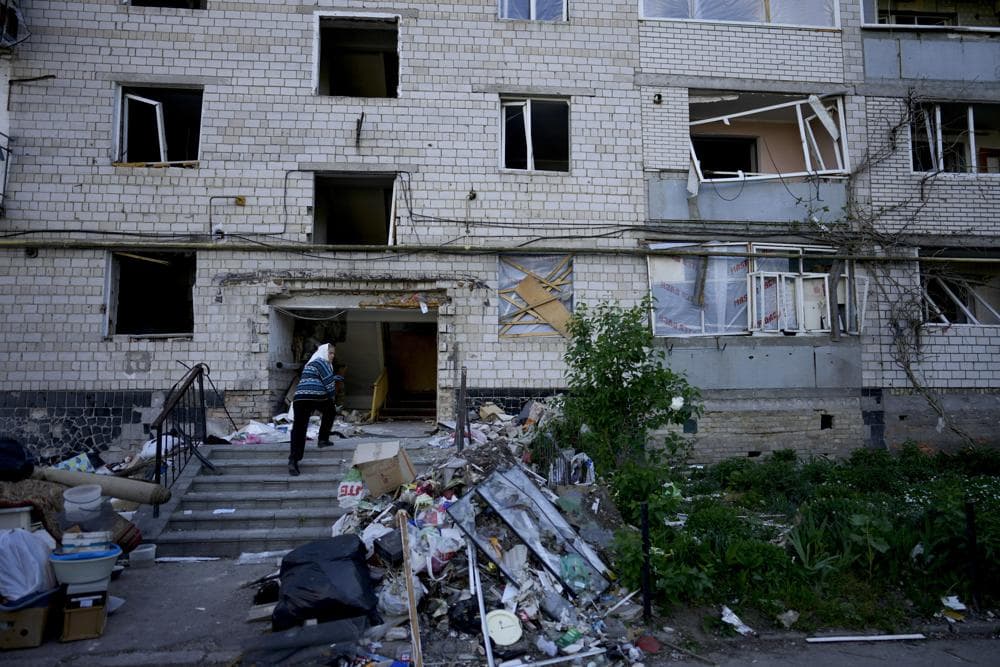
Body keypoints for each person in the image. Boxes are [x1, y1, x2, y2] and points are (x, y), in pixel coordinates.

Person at [287, 343, 344, 476]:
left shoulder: (311, 363)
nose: (332, 356)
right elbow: (329, 385)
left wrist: (332, 378)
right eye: (330, 353)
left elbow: (316, 378)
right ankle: (323, 439)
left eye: (334, 354)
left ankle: (293, 460)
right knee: (330, 410)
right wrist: (332, 398)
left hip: (300, 398)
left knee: (299, 428)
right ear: (324, 352)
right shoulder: (322, 362)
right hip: (316, 397)